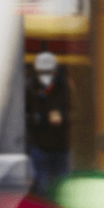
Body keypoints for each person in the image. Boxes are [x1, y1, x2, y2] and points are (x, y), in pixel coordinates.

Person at [25, 50, 73, 194]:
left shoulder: (64, 87)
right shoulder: (31, 88)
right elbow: (25, 116)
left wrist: (63, 117)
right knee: (42, 187)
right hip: (40, 146)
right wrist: (43, 118)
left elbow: (77, 112)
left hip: (62, 146)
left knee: (62, 187)